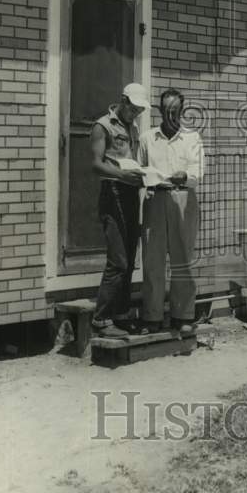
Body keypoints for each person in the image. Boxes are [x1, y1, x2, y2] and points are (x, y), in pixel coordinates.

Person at [138, 88, 205, 336]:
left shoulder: (192, 138)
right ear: (158, 110)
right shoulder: (147, 138)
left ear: (182, 111)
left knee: (182, 260)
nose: (171, 116)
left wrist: (184, 175)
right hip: (155, 199)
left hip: (183, 200)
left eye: (175, 112)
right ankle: (152, 317)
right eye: (166, 112)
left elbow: (198, 174)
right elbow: (139, 172)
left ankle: (183, 315)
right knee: (153, 261)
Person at [89, 83, 149, 339]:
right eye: (132, 108)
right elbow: (96, 165)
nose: (135, 114)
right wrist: (124, 176)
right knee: (118, 260)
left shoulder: (132, 127)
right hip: (113, 192)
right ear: (123, 100)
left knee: (129, 259)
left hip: (131, 194)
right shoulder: (102, 125)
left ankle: (121, 315)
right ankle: (101, 319)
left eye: (139, 110)